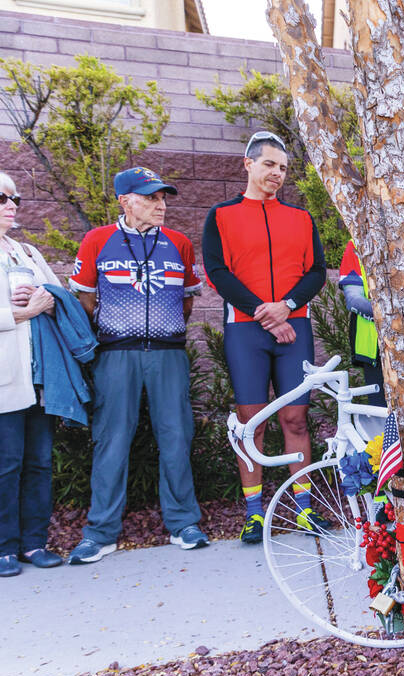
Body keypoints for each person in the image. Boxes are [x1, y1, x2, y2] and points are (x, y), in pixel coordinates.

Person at [65, 167, 208, 565]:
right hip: (115, 354)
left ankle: (183, 524)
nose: (161, 206)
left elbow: (186, 301)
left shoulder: (179, 243)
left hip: (168, 354)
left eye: (163, 198)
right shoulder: (97, 240)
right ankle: (100, 532)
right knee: (111, 440)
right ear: (125, 201)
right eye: (150, 198)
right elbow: (85, 301)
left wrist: (163, 329)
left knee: (176, 436)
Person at [203, 131, 327, 544]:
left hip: (295, 327)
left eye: (284, 168)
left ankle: (304, 510)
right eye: (270, 164)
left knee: (295, 418)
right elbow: (218, 273)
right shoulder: (221, 216)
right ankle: (255, 513)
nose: (277, 173)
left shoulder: (301, 218)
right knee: (250, 423)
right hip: (245, 330)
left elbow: (316, 274)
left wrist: (286, 306)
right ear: (249, 164)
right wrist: (267, 314)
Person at [0, 172, 66, 576]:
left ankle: (34, 543)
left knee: (40, 462)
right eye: (2, 198)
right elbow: (27, 311)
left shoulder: (26, 252)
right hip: (5, 379)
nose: (11, 205)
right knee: (6, 464)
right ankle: (4, 548)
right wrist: (19, 312)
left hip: (39, 376)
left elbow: (58, 297)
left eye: (15, 199)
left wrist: (44, 299)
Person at [337, 242, 385, 407]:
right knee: (382, 418)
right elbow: (353, 299)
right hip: (374, 349)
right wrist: (394, 315)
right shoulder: (356, 244)